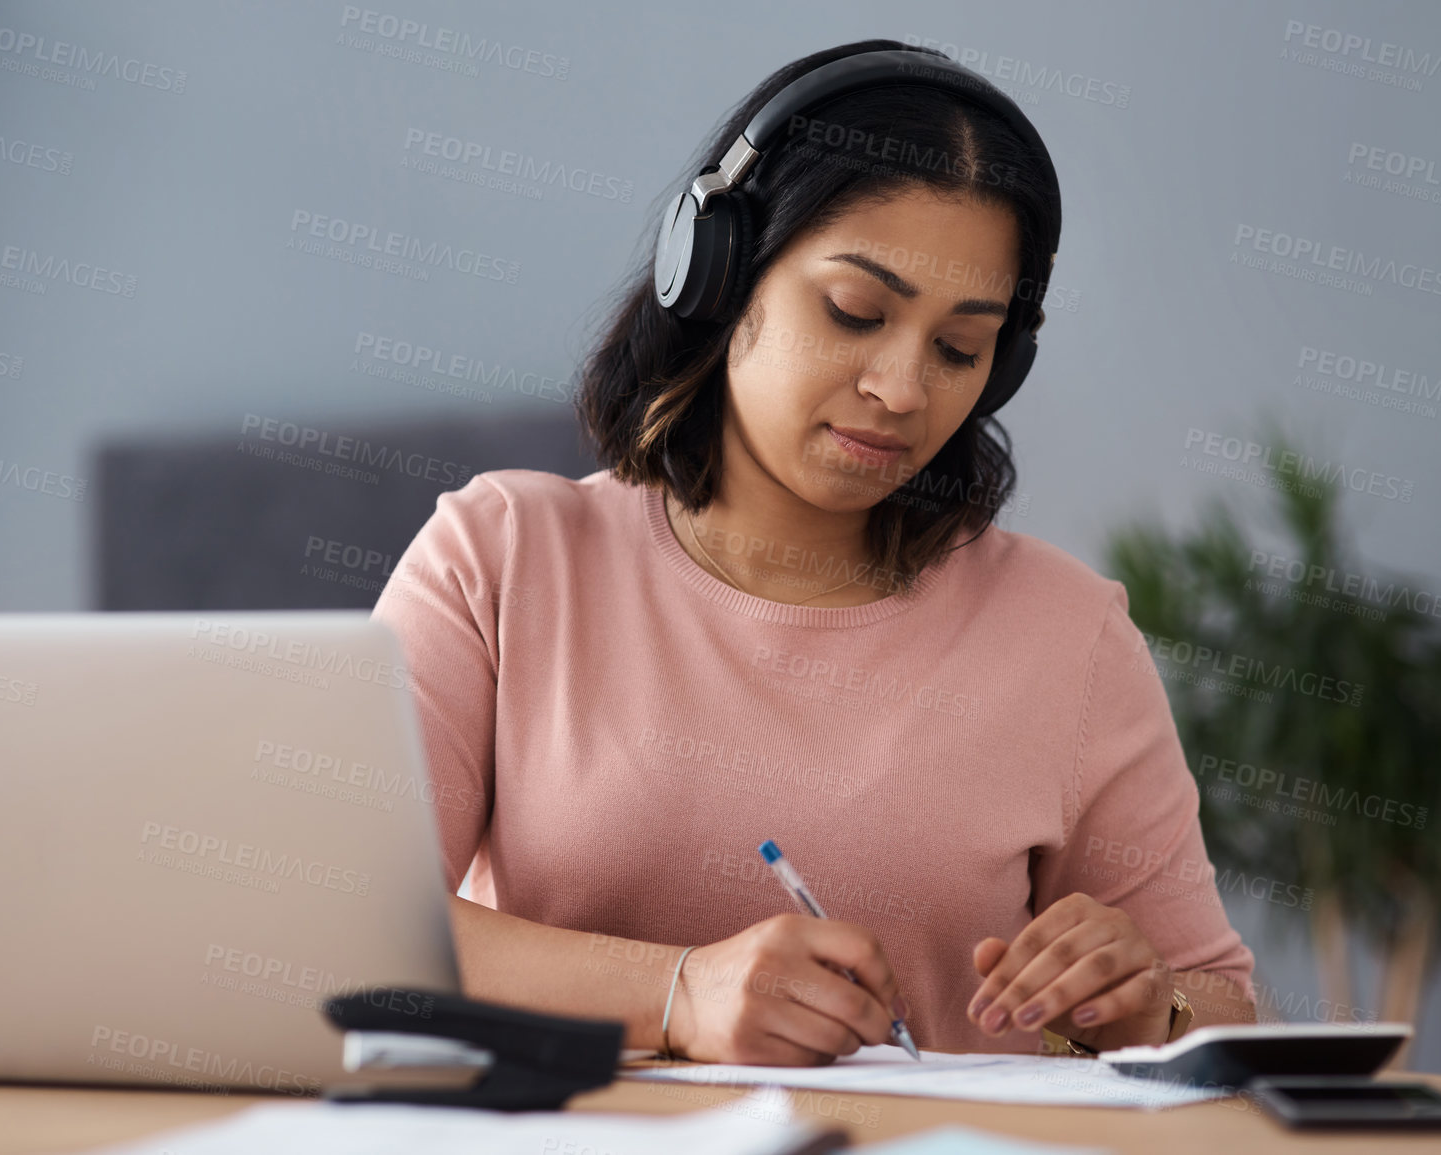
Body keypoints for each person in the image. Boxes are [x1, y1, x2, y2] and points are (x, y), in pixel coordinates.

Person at [371, 38, 1256, 1066]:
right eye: (855, 312)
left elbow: (1228, 1008)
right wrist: (675, 994)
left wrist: (1156, 1009)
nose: (902, 389)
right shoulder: (501, 558)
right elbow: (331, 932)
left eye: (961, 348)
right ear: (717, 275)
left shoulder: (1070, 634)